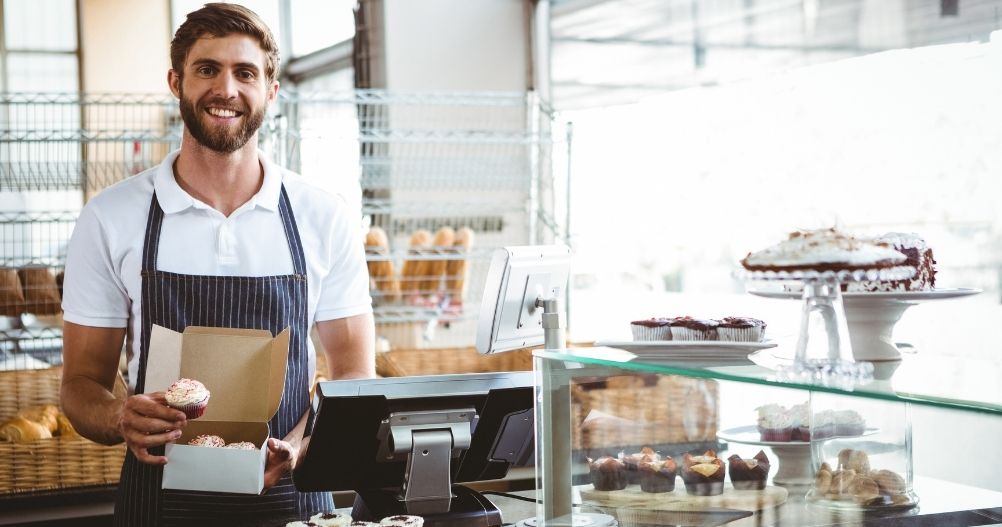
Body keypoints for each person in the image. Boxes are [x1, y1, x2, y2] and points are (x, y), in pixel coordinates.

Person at [59, 3, 374, 525]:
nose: (225, 89)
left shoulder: (322, 216)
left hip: (295, 499)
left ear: (271, 90)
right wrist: (119, 416)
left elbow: (354, 375)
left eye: (245, 72)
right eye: (207, 69)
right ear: (176, 81)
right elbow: (79, 385)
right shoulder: (110, 217)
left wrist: (298, 446)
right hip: (157, 504)